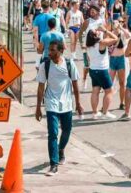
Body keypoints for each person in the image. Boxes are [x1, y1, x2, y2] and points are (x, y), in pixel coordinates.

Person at [35, 39, 83, 176]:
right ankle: (53, 164)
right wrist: (38, 107)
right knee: (52, 133)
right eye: (49, 50)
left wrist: (78, 103)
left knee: (67, 130)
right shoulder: (45, 66)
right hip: (51, 103)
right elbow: (40, 87)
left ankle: (61, 149)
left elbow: (75, 85)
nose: (49, 53)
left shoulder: (69, 64)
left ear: (61, 51)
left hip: (67, 103)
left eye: (52, 50)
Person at [86, 24, 118, 118]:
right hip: (102, 70)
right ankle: (105, 112)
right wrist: (105, 31)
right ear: (95, 36)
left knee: (95, 90)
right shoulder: (101, 43)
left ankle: (95, 113)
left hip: (93, 69)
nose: (98, 32)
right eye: (97, 32)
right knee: (109, 91)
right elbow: (116, 39)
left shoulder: (89, 45)